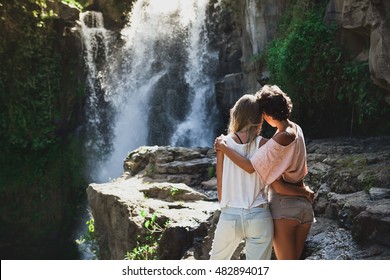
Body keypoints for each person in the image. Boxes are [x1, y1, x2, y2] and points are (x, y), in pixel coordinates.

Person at [214, 85, 315, 260]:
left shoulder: (275, 142)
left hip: (281, 208)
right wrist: (303, 192)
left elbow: (250, 168)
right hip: (291, 210)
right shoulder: (293, 131)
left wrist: (223, 147)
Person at [209, 94, 273, 260]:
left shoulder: (223, 143)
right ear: (259, 118)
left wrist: (225, 205)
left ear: (236, 114)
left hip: (230, 215)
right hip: (258, 214)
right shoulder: (264, 144)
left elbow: (220, 181)